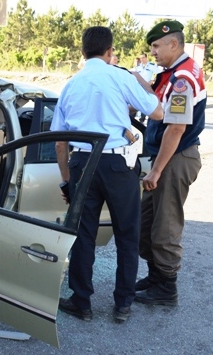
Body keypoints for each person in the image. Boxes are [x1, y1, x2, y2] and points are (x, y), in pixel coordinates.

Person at [51, 26, 163, 323]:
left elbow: (60, 140)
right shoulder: (120, 76)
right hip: (117, 165)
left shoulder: (70, 85)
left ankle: (81, 302)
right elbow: (157, 113)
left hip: (82, 164)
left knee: (83, 234)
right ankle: (123, 304)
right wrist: (141, 79)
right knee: (127, 234)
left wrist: (65, 179)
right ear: (110, 51)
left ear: (82, 53)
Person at [134, 20, 206, 307]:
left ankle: (166, 287)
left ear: (173, 44)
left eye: (156, 46)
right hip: (168, 157)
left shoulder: (182, 80)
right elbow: (161, 108)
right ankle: (155, 276)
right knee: (146, 222)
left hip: (175, 158)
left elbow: (175, 128)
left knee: (165, 225)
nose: (152, 52)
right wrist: (140, 85)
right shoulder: (173, 73)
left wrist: (157, 170)